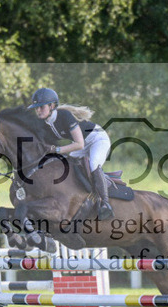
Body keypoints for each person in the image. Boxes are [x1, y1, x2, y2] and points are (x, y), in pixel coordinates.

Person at [28, 87, 114, 220]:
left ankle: (106, 204)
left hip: (97, 139)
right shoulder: (44, 123)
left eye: (41, 107)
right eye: (36, 108)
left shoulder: (64, 116)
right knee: (68, 164)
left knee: (93, 165)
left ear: (51, 106)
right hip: (82, 144)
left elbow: (79, 144)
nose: (38, 110)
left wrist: (56, 150)